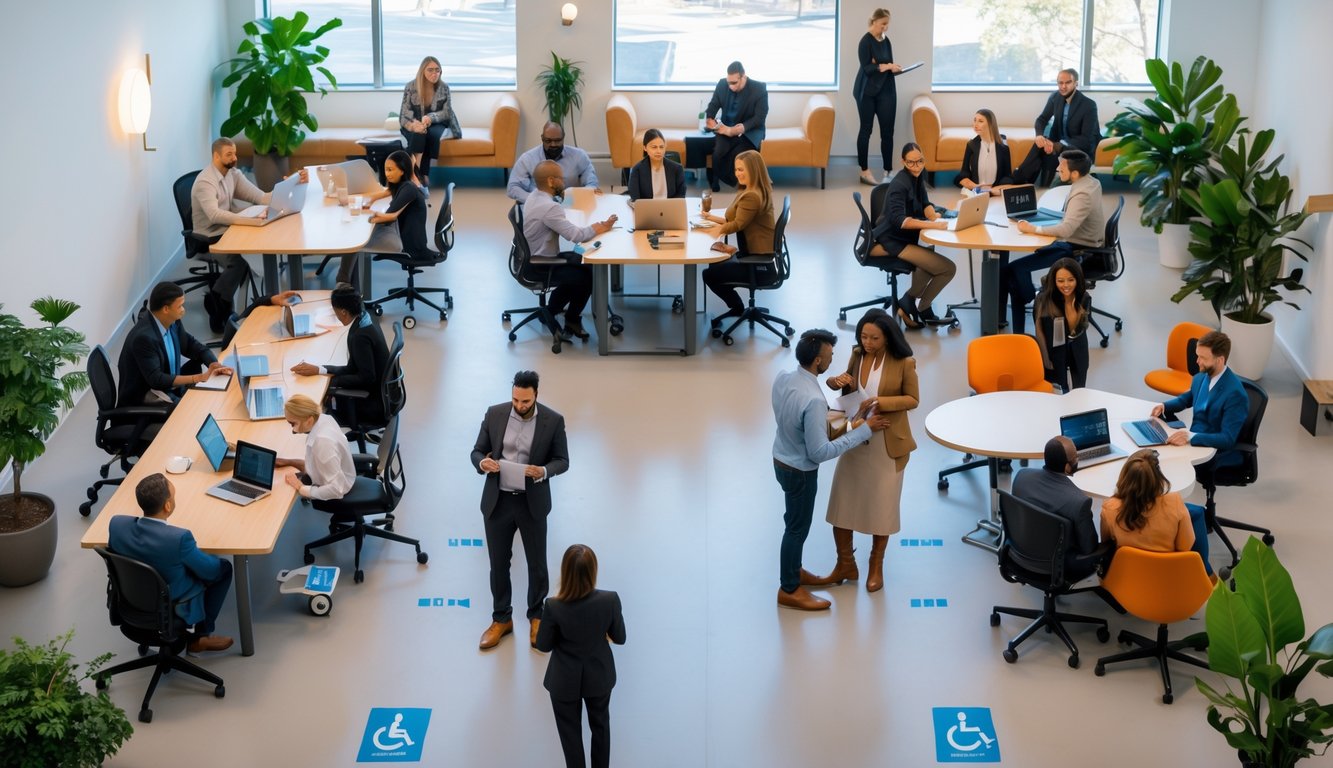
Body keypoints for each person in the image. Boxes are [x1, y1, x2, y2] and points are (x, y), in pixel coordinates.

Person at [771, 329, 890, 611]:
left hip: (780, 458)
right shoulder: (813, 400)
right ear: (817, 362)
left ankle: (794, 570)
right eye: (829, 356)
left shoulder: (784, 378)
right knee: (796, 530)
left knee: (792, 522)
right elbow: (820, 452)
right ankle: (789, 588)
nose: (832, 359)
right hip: (800, 471)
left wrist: (843, 422)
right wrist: (862, 432)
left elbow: (791, 420)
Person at [815, 309, 919, 593]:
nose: (868, 342)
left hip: (886, 442)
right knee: (842, 503)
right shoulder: (857, 354)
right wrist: (833, 382)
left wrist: (881, 401)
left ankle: (876, 563)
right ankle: (845, 563)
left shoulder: (904, 362)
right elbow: (847, 391)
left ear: (888, 337)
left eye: (874, 338)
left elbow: (913, 399)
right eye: (864, 336)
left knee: (882, 506)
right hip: (856, 437)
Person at [471, 370, 571, 650]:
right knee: (498, 564)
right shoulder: (495, 414)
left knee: (537, 564)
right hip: (498, 501)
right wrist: (482, 464)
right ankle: (501, 618)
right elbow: (476, 451)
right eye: (516, 399)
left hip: (532, 502)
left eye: (525, 401)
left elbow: (562, 460)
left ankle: (537, 616)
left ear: (536, 395)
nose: (519, 406)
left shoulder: (553, 421)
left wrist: (543, 471)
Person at [108, 473, 234, 654]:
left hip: (130, 600)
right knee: (224, 568)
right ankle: (200, 636)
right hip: (169, 605)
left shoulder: (117, 525)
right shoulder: (178, 539)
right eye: (173, 496)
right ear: (168, 505)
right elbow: (211, 572)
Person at [1152, 329, 1247, 569]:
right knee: (1155, 456)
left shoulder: (1235, 394)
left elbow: (1227, 438)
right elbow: (1186, 399)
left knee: (1164, 472)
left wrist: (1191, 436)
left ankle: (1171, 530)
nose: (1197, 362)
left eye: (1202, 358)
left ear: (1220, 359)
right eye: (1197, 356)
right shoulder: (1201, 377)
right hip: (1193, 442)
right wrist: (1164, 406)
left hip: (1215, 451)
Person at [534, 544, 626, 768]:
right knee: (601, 728)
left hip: (563, 681)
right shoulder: (610, 600)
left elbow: (543, 645)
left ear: (565, 571)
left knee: (570, 737)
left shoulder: (553, 606)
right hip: (599, 676)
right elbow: (620, 637)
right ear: (593, 570)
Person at [1005, 149, 1105, 333]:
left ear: (1074, 173)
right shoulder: (1091, 182)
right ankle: (1028, 298)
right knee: (1030, 258)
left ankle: (1025, 310)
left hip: (1079, 249)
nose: (1058, 168)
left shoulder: (1082, 195)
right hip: (1083, 241)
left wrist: (1033, 228)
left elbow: (1066, 229)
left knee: (1013, 270)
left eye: (1062, 166)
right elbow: (1072, 218)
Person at [522, 160, 617, 341]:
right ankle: (563, 316)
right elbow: (576, 235)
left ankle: (558, 313)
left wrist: (587, 193)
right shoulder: (550, 207)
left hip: (533, 256)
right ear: (551, 181)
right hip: (541, 263)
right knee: (586, 277)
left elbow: (564, 203)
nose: (564, 182)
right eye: (561, 179)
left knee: (585, 264)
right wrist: (599, 227)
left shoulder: (535, 196)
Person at [871, 143, 958, 329]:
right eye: (911, 163)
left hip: (906, 237)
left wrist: (933, 214)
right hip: (893, 240)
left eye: (920, 161)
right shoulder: (899, 185)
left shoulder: (918, 175)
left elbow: (925, 202)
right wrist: (932, 224)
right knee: (948, 269)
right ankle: (922, 307)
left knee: (928, 261)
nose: (917, 166)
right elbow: (900, 221)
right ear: (903, 162)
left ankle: (907, 302)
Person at [190, 137, 270, 332]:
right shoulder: (205, 182)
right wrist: (247, 220)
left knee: (252, 251)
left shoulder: (232, 174)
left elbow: (258, 196)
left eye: (234, 153)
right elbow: (214, 215)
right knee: (239, 264)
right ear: (216, 156)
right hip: (208, 237)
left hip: (227, 230)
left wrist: (286, 190)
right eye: (229, 154)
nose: (234, 157)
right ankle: (218, 302)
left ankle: (229, 302)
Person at [117, 281, 231, 406]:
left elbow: (191, 345)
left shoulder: (172, 321)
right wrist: (199, 377)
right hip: (147, 396)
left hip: (169, 388)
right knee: (193, 410)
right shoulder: (144, 338)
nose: (183, 310)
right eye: (180, 306)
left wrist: (214, 365)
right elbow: (157, 380)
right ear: (166, 309)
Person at [1099, 449, 1210, 576]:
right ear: (1157, 477)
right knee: (1196, 512)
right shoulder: (1174, 501)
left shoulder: (1109, 508)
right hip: (1167, 577)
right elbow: (1185, 546)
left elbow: (1106, 546)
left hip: (1128, 579)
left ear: (1125, 475)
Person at [291, 286, 391, 427]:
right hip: (382, 393)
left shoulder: (359, 337)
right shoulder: (365, 320)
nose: (335, 315)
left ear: (343, 312)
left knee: (320, 408)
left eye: (335, 311)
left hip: (373, 403)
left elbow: (367, 378)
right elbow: (353, 367)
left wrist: (332, 382)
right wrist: (321, 370)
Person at [1012, 436, 1102, 581]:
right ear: (1067, 467)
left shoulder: (1021, 476)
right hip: (1055, 567)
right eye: (1075, 457)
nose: (1077, 459)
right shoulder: (1079, 502)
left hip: (1018, 552)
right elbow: (1089, 547)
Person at [700, 150, 776, 322]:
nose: (737, 174)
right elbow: (736, 218)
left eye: (742, 170)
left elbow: (737, 225)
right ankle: (738, 306)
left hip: (758, 263)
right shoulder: (753, 189)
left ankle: (737, 308)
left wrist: (712, 232)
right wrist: (710, 219)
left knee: (709, 275)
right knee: (714, 265)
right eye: (736, 169)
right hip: (757, 256)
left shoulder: (752, 196)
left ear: (754, 170)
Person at [339, 150, 432, 287]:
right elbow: (379, 194)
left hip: (409, 245)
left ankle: (343, 283)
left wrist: (366, 214)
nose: (387, 174)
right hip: (403, 234)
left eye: (390, 170)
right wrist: (356, 201)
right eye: (385, 170)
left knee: (354, 242)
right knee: (356, 237)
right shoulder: (402, 185)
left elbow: (389, 217)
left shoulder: (409, 189)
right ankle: (348, 285)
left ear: (402, 170)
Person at [1011, 69, 1102, 186]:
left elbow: (1086, 140)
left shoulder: (1089, 105)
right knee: (1040, 143)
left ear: (1076, 83)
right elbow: (1041, 119)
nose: (1063, 86)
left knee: (1050, 150)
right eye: (1060, 83)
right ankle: (1022, 182)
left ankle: (1017, 180)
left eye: (1068, 82)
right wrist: (1039, 136)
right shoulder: (1055, 97)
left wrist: (1059, 145)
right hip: (1058, 144)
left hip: (1080, 149)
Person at [274, 394, 356, 502]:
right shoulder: (324, 419)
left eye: (293, 423)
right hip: (334, 474)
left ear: (309, 421)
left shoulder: (323, 443)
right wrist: (288, 462)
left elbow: (337, 489)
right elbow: (315, 462)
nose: (293, 430)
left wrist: (301, 487)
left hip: (337, 491)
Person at [854, 8, 902, 186]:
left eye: (887, 24)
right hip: (866, 91)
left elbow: (882, 65)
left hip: (886, 90)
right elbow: (867, 68)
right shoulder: (865, 42)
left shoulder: (886, 40)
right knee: (866, 130)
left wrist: (887, 66)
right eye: (883, 24)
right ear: (874, 22)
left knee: (888, 132)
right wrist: (885, 66)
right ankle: (864, 171)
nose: (886, 28)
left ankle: (888, 171)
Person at [703, 61, 768, 191]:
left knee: (739, 154)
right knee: (719, 151)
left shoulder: (759, 88)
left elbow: (760, 116)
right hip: (726, 127)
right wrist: (711, 120)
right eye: (729, 82)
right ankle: (715, 178)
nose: (731, 86)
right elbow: (712, 107)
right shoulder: (722, 84)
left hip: (749, 130)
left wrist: (741, 128)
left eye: (734, 83)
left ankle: (739, 182)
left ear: (743, 77)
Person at [399, 55, 460, 186]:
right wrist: (413, 126)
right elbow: (403, 115)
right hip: (414, 122)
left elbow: (446, 112)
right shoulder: (410, 86)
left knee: (430, 134)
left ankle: (415, 175)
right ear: (422, 71)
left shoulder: (444, 87)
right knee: (419, 134)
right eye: (430, 70)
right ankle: (419, 175)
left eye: (437, 70)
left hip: (437, 123)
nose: (434, 73)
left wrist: (431, 118)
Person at [1032, 257, 1091, 391]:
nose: (1066, 285)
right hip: (1053, 348)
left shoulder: (1083, 297)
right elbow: (1039, 330)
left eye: (1071, 280)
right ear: (1054, 281)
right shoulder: (1043, 299)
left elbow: (1077, 330)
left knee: (1079, 390)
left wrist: (1070, 306)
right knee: (1059, 389)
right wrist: (1046, 359)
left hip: (1077, 345)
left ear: (1077, 279)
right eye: (1060, 281)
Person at [508, 122, 600, 203]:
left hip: (571, 204)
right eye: (548, 141)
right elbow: (513, 187)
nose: (553, 144)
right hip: (538, 207)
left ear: (563, 137)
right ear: (542, 138)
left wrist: (580, 195)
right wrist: (535, 200)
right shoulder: (527, 158)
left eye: (557, 140)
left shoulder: (578, 156)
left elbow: (592, 184)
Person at [955, 109, 1014, 194]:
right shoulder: (971, 145)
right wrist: (976, 187)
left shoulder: (1003, 147)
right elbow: (963, 174)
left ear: (991, 124)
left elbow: (1008, 177)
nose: (975, 125)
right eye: (975, 120)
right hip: (976, 190)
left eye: (980, 121)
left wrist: (994, 190)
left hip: (996, 190)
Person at [219, 290, 302, 349]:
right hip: (241, 348)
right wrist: (272, 299)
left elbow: (256, 303)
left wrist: (272, 299)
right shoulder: (242, 326)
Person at [626, 128, 686, 201]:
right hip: (647, 210)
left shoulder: (677, 168)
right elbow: (635, 199)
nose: (658, 151)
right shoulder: (637, 170)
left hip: (670, 209)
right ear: (645, 148)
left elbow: (681, 195)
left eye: (661, 147)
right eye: (654, 147)